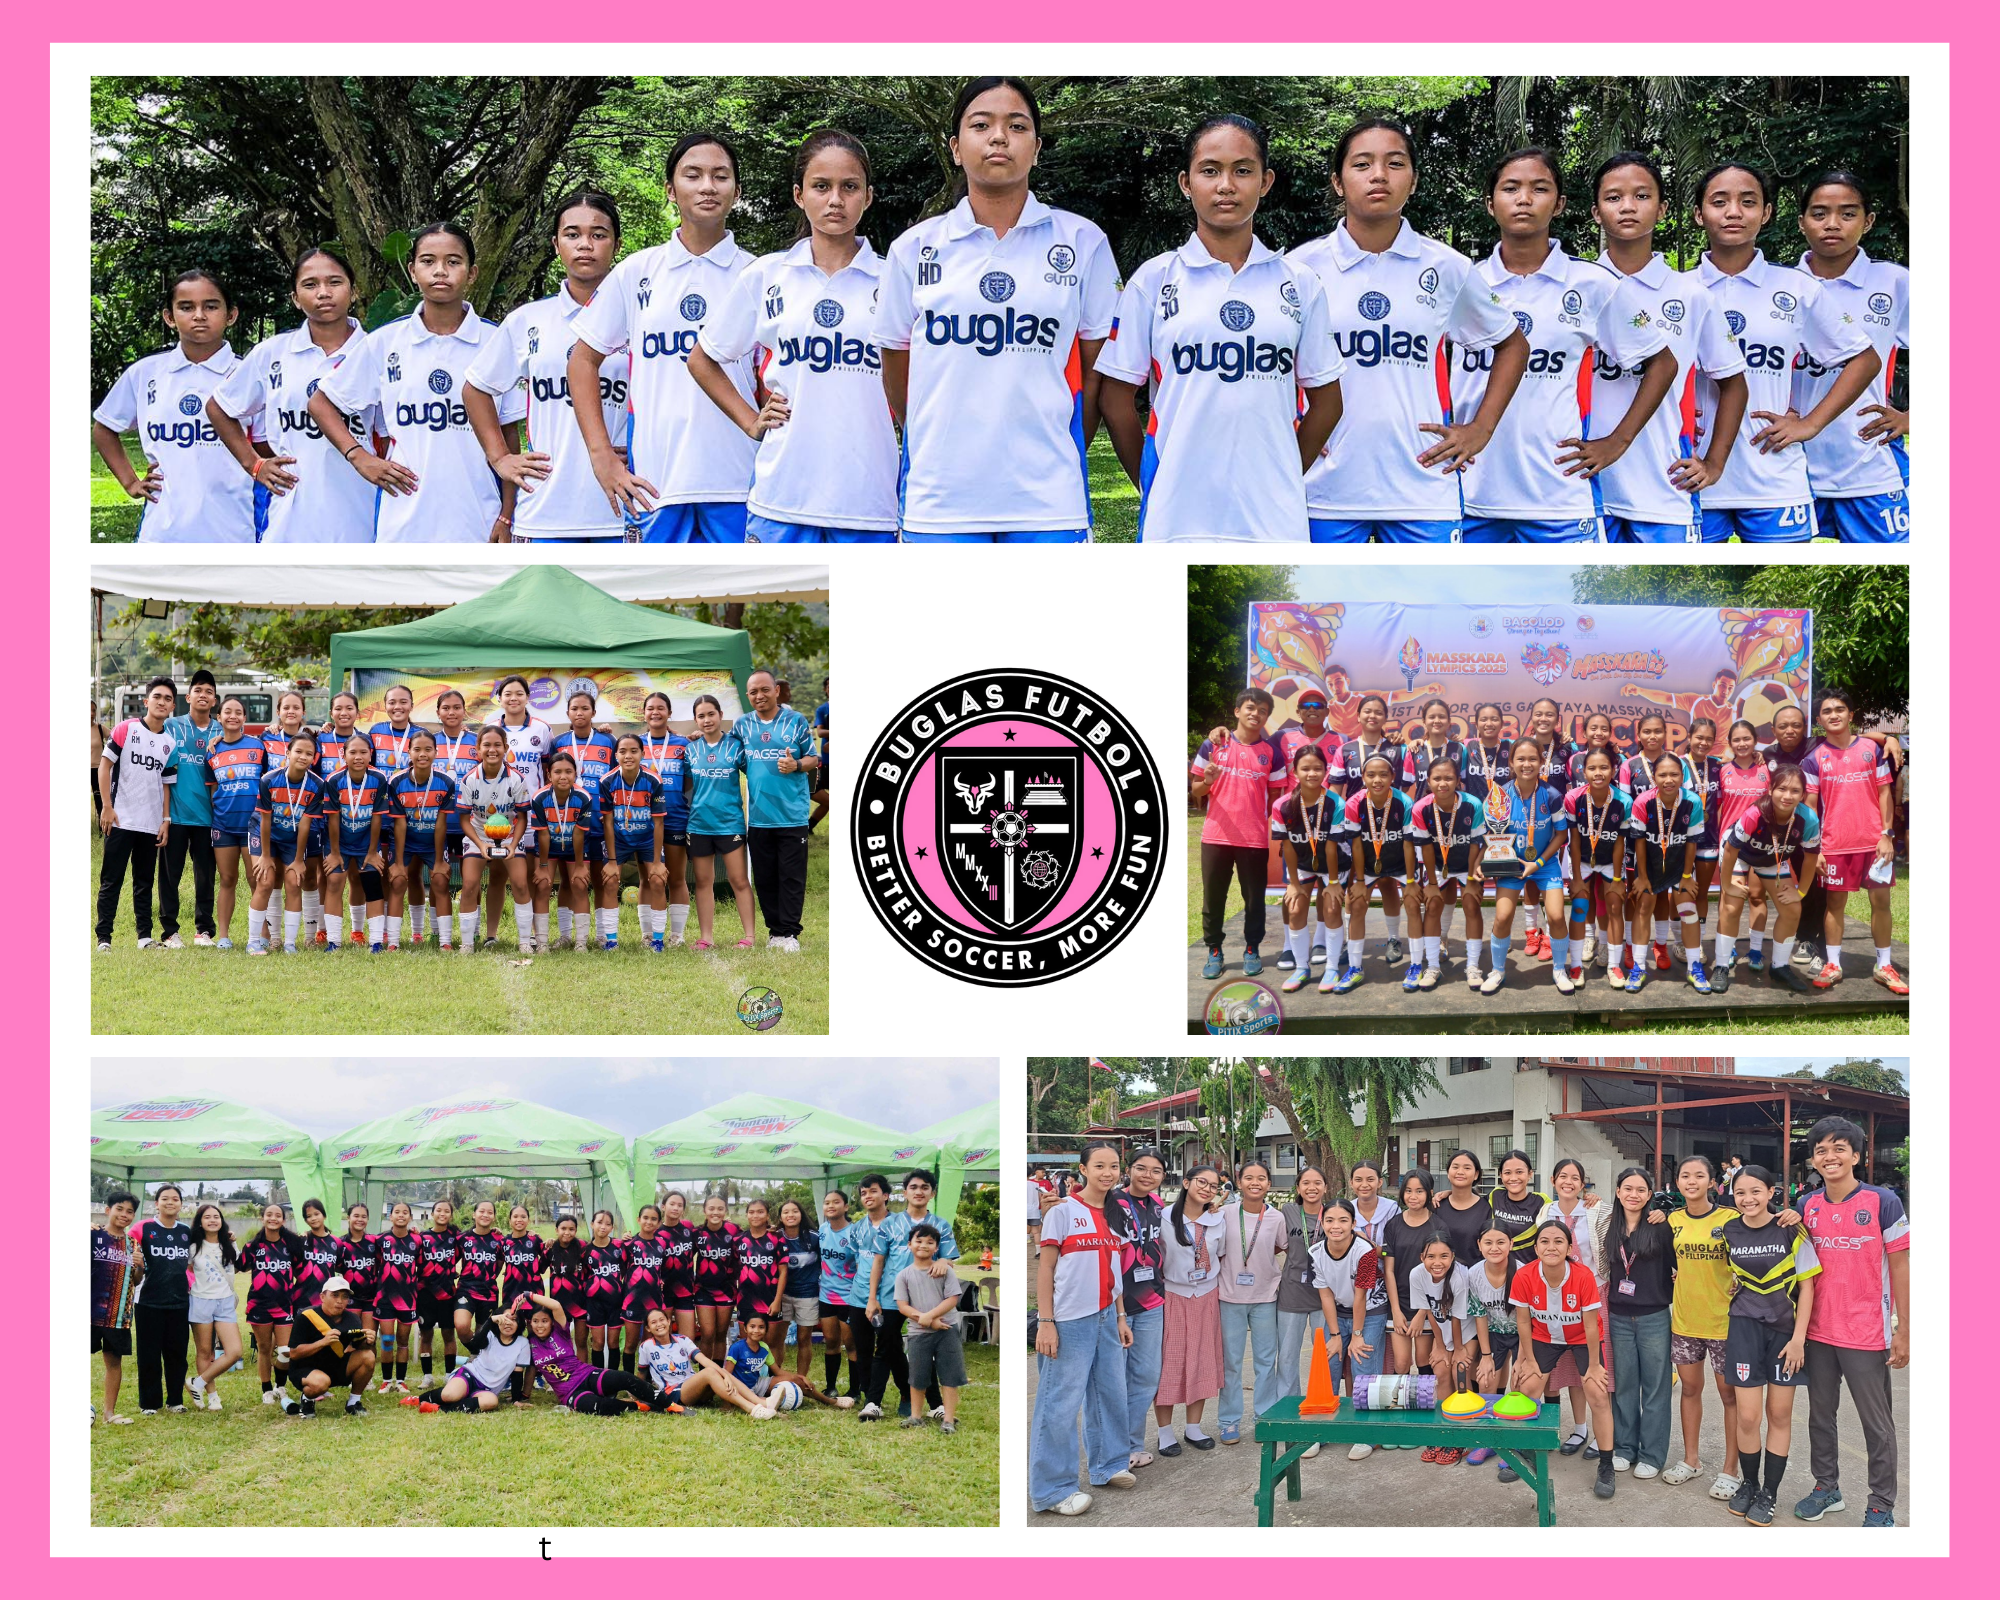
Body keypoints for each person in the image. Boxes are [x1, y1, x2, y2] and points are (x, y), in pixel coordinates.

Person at [877, 77, 1117, 542]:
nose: (999, 137)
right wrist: (929, 435)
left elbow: (1096, 369)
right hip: (940, 503)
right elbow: (896, 364)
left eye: (1017, 125)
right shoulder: (914, 248)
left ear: (1037, 146)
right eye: (981, 124)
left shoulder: (1082, 241)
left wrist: (1060, 447)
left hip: (1049, 504)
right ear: (955, 147)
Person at [1097, 113, 1344, 542]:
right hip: (1174, 521)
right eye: (1209, 171)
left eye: (1242, 171)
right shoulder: (1153, 280)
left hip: (1275, 520)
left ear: (1265, 182)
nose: (1226, 185)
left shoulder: (1300, 283)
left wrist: (1285, 472)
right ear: (1186, 183)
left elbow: (1327, 402)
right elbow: (1116, 398)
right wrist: (1154, 483)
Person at [1285, 118, 1526, 541]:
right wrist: (1288, 423)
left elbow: (1512, 345)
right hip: (1323, 488)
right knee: (1328, 607)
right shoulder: (1300, 268)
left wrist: (1480, 429)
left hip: (1423, 486)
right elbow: (1275, 358)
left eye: (1395, 163)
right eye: (1362, 164)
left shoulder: (1447, 267)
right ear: (1338, 183)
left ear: (1412, 181)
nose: (1379, 175)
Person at [1457, 147, 1675, 543]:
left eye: (1539, 189)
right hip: (1468, 491)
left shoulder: (1593, 284)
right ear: (1491, 204)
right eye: (1511, 189)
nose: (1524, 199)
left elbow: (1662, 363)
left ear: (1558, 205)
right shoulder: (1460, 282)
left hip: (1558, 492)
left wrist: (1617, 442)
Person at [689, 131, 898, 541]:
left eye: (849, 187)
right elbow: (703, 359)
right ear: (800, 195)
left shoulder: (894, 279)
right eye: (821, 186)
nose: (835, 199)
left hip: (869, 502)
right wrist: (751, 421)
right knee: (769, 603)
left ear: (868, 197)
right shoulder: (767, 275)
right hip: (781, 496)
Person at [569, 134, 753, 542]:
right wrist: (603, 456)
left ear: (736, 191)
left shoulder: (759, 275)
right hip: (654, 483)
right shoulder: (637, 271)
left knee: (740, 598)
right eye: (693, 175)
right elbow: (582, 361)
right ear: (671, 190)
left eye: (720, 176)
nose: (707, 186)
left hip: (741, 481)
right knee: (653, 597)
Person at [1690, 163, 1879, 543]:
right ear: (1699, 214)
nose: (1733, 212)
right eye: (1719, 201)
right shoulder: (1675, 290)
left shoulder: (1797, 287)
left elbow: (1865, 358)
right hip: (1691, 475)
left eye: (1748, 202)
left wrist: (1810, 424)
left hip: (1774, 476)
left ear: (1767, 213)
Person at [311, 221, 524, 543]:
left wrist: (507, 514)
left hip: (479, 518)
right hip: (403, 521)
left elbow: (509, 437)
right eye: (428, 261)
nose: (440, 271)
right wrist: (359, 456)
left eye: (453, 262)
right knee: (402, 596)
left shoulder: (496, 341)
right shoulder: (385, 342)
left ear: (473, 272)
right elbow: (321, 402)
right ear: (412, 270)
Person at [1584, 151, 1749, 542]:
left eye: (1642, 196)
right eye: (1613, 197)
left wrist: (1714, 463)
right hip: (1580, 487)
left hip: (1663, 486)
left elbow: (1733, 382)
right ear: (1595, 212)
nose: (1627, 207)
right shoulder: (1576, 287)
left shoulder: (1692, 295)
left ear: (1662, 211)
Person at [465, 189, 630, 542]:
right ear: (556, 245)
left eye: (598, 235)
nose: (585, 244)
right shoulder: (527, 320)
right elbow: (476, 388)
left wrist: (643, 445)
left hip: (625, 508)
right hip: (546, 511)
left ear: (616, 245)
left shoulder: (640, 317)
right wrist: (500, 459)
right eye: (572, 234)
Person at [206, 245, 379, 542]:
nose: (323, 292)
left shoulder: (379, 351)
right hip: (290, 514)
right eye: (310, 285)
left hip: (363, 510)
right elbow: (219, 407)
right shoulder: (273, 354)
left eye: (334, 282)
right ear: (295, 299)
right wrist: (254, 464)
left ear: (354, 291)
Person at [1794, 1116, 1909, 1527]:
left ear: (1857, 1156)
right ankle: (1827, 1488)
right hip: (1819, 1333)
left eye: (1839, 1148)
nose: (1830, 1156)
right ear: (1813, 1159)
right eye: (1822, 1150)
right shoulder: (1805, 1206)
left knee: (1876, 1424)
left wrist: (1904, 1330)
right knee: (1820, 1416)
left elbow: (1900, 1267)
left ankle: (1881, 1504)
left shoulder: (1883, 1201)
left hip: (1866, 1331)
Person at [91, 269, 254, 542]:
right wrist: (130, 482)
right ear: (169, 317)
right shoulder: (146, 373)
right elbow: (104, 428)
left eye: (211, 306)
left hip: (236, 530)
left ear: (231, 315)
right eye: (186, 307)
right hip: (162, 532)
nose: (199, 315)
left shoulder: (248, 374)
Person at [1794, 172, 1910, 543]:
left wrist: (1913, 417)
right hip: (1786, 467)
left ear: (1868, 221)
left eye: (1847, 213)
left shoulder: (1894, 283)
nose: (1832, 224)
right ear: (1801, 222)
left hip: (1868, 463)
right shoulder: (1778, 287)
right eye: (1819, 213)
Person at [1031, 1142, 1132, 1516]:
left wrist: (1120, 1316)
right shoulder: (1062, 1211)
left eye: (1114, 1166)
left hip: (1106, 1314)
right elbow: (1046, 1268)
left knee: (1110, 1394)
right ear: (1083, 1169)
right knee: (1059, 1403)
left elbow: (1115, 1270)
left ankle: (1108, 1466)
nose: (1108, 1173)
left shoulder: (1115, 1213)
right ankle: (1053, 1489)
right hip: (1070, 1319)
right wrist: (1046, 1322)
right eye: (1100, 1166)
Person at [1720, 1165, 1822, 1525]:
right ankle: (1749, 1484)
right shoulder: (1729, 1231)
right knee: (1748, 1416)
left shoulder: (1791, 1228)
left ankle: (1770, 1493)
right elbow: (1739, 1274)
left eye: (1755, 1191)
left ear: (1770, 1192)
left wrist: (1799, 1339)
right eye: (1740, 1193)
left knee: (1778, 1415)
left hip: (1784, 1334)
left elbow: (1808, 1287)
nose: (1748, 1199)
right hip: (1745, 1329)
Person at [1801, 689, 1904, 993]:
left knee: (1881, 902)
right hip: (1833, 846)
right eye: (1827, 711)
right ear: (1819, 719)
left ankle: (1884, 965)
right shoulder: (1814, 759)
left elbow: (1886, 794)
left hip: (1875, 845)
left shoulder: (1872, 749)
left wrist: (1887, 835)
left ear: (1850, 714)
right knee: (1834, 905)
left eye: (1840, 709)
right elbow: (1808, 807)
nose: (1834, 715)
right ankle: (1833, 963)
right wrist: (1814, 847)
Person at [1511, 1218, 1617, 1498]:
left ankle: (1606, 1465)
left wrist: (1594, 1365)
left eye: (1559, 1241)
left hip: (1583, 1338)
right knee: (1528, 1388)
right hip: (1545, 1338)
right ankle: (1527, 1451)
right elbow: (1523, 1322)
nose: (1551, 1246)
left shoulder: (1582, 1276)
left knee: (1597, 1393)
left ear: (1569, 1247)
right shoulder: (1524, 1276)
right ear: (1535, 1248)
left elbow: (1592, 1325)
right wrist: (1529, 1360)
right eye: (1544, 1241)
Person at [1660, 1156, 1746, 1498]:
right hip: (1685, 1321)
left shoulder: (1730, 1218)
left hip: (1724, 1322)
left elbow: (1753, 1253)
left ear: (1713, 1182)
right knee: (1690, 1390)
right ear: (1677, 1182)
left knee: (1729, 1396)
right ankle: (1691, 1460)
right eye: (1684, 1176)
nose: (1691, 1181)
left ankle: (1730, 1469)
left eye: (1699, 1176)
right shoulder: (1671, 1220)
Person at [1193, 686, 1287, 979]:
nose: (1255, 714)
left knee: (1254, 899)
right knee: (1213, 899)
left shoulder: (1271, 752)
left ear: (1267, 716)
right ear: (1237, 711)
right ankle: (1214, 951)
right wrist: (1207, 781)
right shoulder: (1214, 745)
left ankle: (1251, 949)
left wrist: (1256, 820)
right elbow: (1196, 791)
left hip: (1253, 839)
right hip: (1215, 837)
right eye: (1250, 708)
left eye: (1262, 711)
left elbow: (1275, 798)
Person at [1589, 1165, 1677, 1479]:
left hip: (1654, 1316)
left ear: (1650, 1195)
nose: (1634, 1195)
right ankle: (1625, 1448)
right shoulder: (1609, 1226)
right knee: (1624, 1385)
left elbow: (1676, 1263)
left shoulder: (1660, 1226)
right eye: (1628, 1188)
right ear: (1618, 1192)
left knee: (1655, 1388)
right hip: (1619, 1316)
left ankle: (1652, 1454)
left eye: (1641, 1190)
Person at [1716, 763, 1822, 993]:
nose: (1787, 796)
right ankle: (1722, 966)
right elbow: (1732, 850)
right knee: (1732, 907)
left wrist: (1801, 892)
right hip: (1739, 854)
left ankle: (1780, 967)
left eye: (1795, 791)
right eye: (1782, 789)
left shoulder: (1808, 818)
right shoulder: (1756, 812)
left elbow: (1811, 858)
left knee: (1792, 908)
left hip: (1772, 857)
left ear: (1803, 794)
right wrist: (1726, 886)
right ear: (1770, 789)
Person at [734, 670, 818, 951]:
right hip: (759, 817)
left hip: (792, 815)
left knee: (792, 876)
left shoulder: (795, 721)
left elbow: (813, 757)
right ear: (748, 696)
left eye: (765, 690)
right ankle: (775, 933)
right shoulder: (742, 725)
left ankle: (790, 934)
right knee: (766, 877)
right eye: (754, 692)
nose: (760, 696)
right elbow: (723, 748)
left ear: (776, 691)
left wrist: (796, 765)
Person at [1481, 736, 1573, 994]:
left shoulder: (1552, 795)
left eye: (1533, 758)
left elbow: (1561, 835)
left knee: (1556, 916)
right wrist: (1497, 860)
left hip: (1544, 865)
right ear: (1511, 762)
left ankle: (1558, 969)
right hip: (1512, 865)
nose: (1527, 764)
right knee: (1502, 916)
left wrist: (1539, 863)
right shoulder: (1499, 795)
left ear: (1542, 762)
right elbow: (1492, 834)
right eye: (1520, 759)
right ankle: (1497, 971)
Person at [865, 1169, 958, 1420]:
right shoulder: (889, 1224)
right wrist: (872, 1298)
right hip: (891, 1298)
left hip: (928, 1301)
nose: (919, 1191)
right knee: (885, 1348)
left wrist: (946, 1261)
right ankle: (873, 1402)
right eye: (914, 1187)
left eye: (925, 1187)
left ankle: (936, 1406)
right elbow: (878, 1261)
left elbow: (948, 1257)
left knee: (926, 1351)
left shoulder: (941, 1225)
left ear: (932, 1193)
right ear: (904, 1192)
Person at [95, 678, 178, 951]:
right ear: (146, 701)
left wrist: (165, 820)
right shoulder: (125, 729)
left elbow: (166, 786)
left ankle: (144, 937)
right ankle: (104, 938)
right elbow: (104, 767)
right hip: (121, 820)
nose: (162, 701)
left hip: (150, 824)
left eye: (167, 698)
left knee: (144, 883)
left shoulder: (170, 742)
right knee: (111, 881)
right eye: (157, 696)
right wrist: (107, 806)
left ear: (172, 705)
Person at [1153, 1163, 1225, 1457]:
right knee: (1169, 1362)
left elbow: (1220, 1254)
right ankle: (1164, 1432)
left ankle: (1193, 1427)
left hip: (1207, 1295)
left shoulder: (1217, 1220)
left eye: (1213, 1186)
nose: (1207, 1189)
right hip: (1174, 1295)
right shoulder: (1164, 1218)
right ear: (1185, 1183)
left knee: (1202, 1360)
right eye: (1201, 1182)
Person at [1213, 1158, 1287, 1446]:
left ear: (1269, 1183)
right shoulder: (1224, 1213)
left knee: (1266, 1361)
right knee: (1231, 1362)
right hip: (1229, 1296)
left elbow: (1281, 1247)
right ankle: (1228, 1421)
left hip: (1266, 1297)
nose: (1255, 1183)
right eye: (1249, 1178)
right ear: (1239, 1181)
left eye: (1261, 1178)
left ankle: (1264, 1416)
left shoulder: (1276, 1217)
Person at [1626, 750, 1712, 994]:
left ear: (1682, 776)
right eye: (1662, 774)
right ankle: (1639, 967)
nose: (1668, 780)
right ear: (1654, 777)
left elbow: (1691, 842)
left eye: (1674, 774)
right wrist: (1642, 877)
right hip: (1650, 867)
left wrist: (1686, 876)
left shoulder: (1692, 801)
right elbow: (1639, 842)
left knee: (1688, 909)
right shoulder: (1642, 802)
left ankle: (1694, 966)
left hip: (1677, 866)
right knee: (1643, 908)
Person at [1311, 1197, 1389, 1460]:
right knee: (1329, 1362)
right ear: (1322, 1223)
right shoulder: (1316, 1252)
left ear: (1353, 1223)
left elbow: (1360, 1297)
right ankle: (1322, 1430)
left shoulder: (1364, 1251)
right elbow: (1324, 1295)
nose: (1336, 1226)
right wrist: (1335, 1335)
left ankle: (1366, 1433)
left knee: (1362, 1364)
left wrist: (1356, 1336)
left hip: (1370, 1311)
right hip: (1338, 1311)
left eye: (1343, 1220)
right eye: (1330, 1220)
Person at [1108, 1148, 1168, 1468]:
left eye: (1155, 1171)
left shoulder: (1158, 1205)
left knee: (1145, 1377)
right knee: (1114, 1378)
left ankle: (1132, 1445)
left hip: (1151, 1302)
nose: (1148, 1175)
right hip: (1117, 1304)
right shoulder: (1112, 1203)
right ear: (1129, 1170)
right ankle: (1113, 1449)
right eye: (1141, 1168)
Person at [1336, 753, 1415, 993]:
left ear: (1393, 776)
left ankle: (1410, 956)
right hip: (1369, 863)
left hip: (1400, 861)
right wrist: (1360, 880)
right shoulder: (1353, 803)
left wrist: (1410, 881)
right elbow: (1357, 844)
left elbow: (1408, 844)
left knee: (1412, 902)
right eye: (1371, 775)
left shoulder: (1404, 802)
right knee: (1357, 903)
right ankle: (1355, 967)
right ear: (1363, 777)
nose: (1377, 780)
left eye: (1384, 774)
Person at [547, 692, 619, 949]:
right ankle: (566, 935)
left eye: (585, 708)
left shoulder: (608, 740)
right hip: (567, 822)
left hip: (599, 820)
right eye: (575, 708)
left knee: (601, 880)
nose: (580, 713)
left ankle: (603, 935)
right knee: (568, 880)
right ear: (567, 714)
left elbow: (615, 777)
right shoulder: (558, 742)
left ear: (594, 713)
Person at [1275, 747, 1348, 996]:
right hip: (1305, 864)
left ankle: (1331, 967)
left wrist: (1335, 882)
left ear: (1326, 771)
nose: (1312, 773)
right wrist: (1293, 883)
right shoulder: (1282, 805)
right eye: (1305, 768)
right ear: (1294, 772)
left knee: (1331, 907)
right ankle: (1301, 968)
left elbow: (1331, 847)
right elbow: (1288, 847)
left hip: (1335, 865)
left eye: (1317, 768)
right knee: (1295, 908)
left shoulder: (1336, 803)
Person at [518, 1293, 667, 1415]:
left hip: (586, 1375)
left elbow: (556, 1305)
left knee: (625, 1378)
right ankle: (641, 1406)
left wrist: (528, 1295)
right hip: (569, 1393)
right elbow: (531, 1370)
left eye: (544, 1321)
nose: (539, 1325)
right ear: (530, 1323)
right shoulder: (529, 1344)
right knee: (600, 1407)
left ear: (552, 1322)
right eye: (535, 1321)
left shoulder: (560, 1331)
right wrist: (523, 1396)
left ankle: (669, 1404)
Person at [248, 731, 328, 955]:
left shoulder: (317, 785)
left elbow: (304, 824)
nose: (303, 757)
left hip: (293, 838)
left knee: (294, 882)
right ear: (288, 753)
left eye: (309, 754)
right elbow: (264, 819)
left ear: (314, 758)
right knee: (265, 881)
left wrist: (298, 859)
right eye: (298, 752)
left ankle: (290, 944)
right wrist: (265, 855)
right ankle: (254, 941)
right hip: (266, 835)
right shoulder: (269, 779)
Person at [456, 725, 535, 954]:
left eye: (497, 745)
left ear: (506, 748)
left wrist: (512, 844)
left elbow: (522, 817)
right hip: (478, 834)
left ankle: (524, 941)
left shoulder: (516, 779)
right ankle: (467, 944)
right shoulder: (470, 779)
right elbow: (463, 819)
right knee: (469, 885)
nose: (492, 750)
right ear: (478, 749)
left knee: (520, 883)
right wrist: (480, 844)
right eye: (486, 745)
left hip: (510, 835)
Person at [685, 695, 755, 950]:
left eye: (710, 714)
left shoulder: (736, 746)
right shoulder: (691, 749)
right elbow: (686, 785)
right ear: (695, 720)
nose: (706, 720)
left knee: (739, 880)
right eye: (701, 716)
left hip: (730, 823)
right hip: (699, 824)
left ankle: (749, 936)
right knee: (703, 883)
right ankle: (706, 938)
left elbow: (756, 775)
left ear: (720, 714)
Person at [1412, 753, 1487, 990]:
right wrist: (1432, 884)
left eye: (1449, 778)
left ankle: (1473, 965)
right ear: (1428, 781)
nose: (1442, 783)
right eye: (1437, 778)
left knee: (1471, 904)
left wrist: (1473, 878)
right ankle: (1433, 966)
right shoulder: (1421, 808)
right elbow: (1424, 847)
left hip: (1467, 864)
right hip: (1436, 865)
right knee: (1433, 905)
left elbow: (1477, 843)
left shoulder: (1472, 804)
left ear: (1458, 781)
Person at [158, 670, 220, 948]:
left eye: (208, 691)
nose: (203, 695)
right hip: (177, 817)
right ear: (188, 697)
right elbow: (163, 774)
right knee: (169, 876)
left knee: (206, 876)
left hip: (210, 818)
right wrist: (165, 816)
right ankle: (170, 932)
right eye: (198, 690)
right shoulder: (171, 727)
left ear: (214, 700)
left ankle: (203, 930)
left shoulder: (222, 731)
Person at [1404, 1233, 1477, 1463]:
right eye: (1431, 1256)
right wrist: (1440, 1345)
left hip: (1466, 1333)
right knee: (1441, 1373)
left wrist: (1456, 1349)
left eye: (1444, 1256)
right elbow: (1428, 1312)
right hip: (1444, 1335)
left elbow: (1457, 1317)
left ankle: (1464, 1435)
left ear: (1453, 1256)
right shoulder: (1416, 1274)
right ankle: (1445, 1432)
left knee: (1460, 1372)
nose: (1438, 1262)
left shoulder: (1459, 1276)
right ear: (1422, 1257)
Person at [200, 696, 264, 949]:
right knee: (227, 880)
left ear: (245, 718)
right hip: (224, 826)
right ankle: (224, 937)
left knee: (255, 880)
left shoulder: (258, 747)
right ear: (219, 717)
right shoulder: (212, 752)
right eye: (227, 712)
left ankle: (261, 936)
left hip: (253, 826)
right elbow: (212, 790)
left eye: (238, 712)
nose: (233, 716)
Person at [596, 734, 668, 953]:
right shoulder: (607, 781)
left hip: (647, 837)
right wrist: (611, 859)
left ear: (642, 754)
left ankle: (656, 939)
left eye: (634, 751)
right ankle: (611, 941)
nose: (628, 756)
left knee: (656, 880)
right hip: (619, 838)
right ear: (615, 755)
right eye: (623, 751)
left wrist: (656, 861)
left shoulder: (653, 780)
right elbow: (607, 822)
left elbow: (658, 823)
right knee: (610, 881)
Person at [1566, 747, 1630, 987]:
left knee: (1614, 907)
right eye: (1592, 768)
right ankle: (1575, 967)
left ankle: (1614, 965)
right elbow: (1574, 840)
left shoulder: (1624, 801)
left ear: (1613, 770)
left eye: (1604, 767)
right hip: (1581, 860)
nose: (1598, 773)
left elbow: (1619, 844)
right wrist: (1576, 879)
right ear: (1583, 771)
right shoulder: (1573, 797)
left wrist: (1616, 879)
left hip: (1609, 862)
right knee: (1580, 908)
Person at [386, 729, 455, 951]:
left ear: (436, 752)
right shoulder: (396, 782)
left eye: (428, 749)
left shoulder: (446, 782)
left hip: (431, 842)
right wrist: (397, 862)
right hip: (404, 842)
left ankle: (444, 940)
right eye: (417, 749)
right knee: (397, 881)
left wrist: (439, 861)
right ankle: (394, 942)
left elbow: (441, 824)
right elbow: (400, 824)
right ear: (409, 753)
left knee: (441, 881)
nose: (422, 754)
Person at [126, 1184, 192, 1416]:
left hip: (180, 1303)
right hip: (148, 1303)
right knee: (149, 1355)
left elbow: (198, 1256)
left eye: (175, 1199)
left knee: (177, 1355)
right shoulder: (143, 1228)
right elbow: (121, 1242)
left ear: (181, 1204)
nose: (170, 1202)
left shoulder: (186, 1231)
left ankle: (175, 1400)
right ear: (157, 1203)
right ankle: (149, 1403)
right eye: (165, 1199)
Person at [895, 1223, 967, 1433]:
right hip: (918, 1333)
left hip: (947, 1330)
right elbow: (902, 1306)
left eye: (930, 1242)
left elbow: (952, 1299)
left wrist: (931, 1317)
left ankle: (948, 1419)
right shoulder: (904, 1275)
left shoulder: (945, 1272)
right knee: (917, 1377)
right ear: (909, 1245)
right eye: (919, 1241)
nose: (923, 1245)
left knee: (950, 1376)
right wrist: (924, 1319)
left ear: (936, 1248)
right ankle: (916, 1416)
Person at [324, 731, 392, 953]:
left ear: (371, 755)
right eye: (352, 752)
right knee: (335, 881)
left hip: (366, 842)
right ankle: (333, 941)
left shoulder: (379, 779)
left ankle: (375, 942)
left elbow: (377, 817)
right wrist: (335, 852)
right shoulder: (333, 780)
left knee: (372, 882)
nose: (358, 756)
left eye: (363, 752)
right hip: (339, 841)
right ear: (344, 755)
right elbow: (333, 819)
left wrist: (372, 852)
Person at [529, 750, 600, 956]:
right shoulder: (540, 797)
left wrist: (579, 865)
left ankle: (581, 942)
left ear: (576, 774)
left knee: (579, 884)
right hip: (548, 848)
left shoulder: (583, 796)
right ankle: (542, 943)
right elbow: (542, 835)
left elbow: (578, 834)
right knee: (542, 886)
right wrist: (542, 867)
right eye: (557, 772)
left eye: (568, 771)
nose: (563, 776)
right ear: (549, 775)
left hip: (575, 847)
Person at [1273, 1165, 1330, 1421]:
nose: (1311, 1188)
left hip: (1324, 1294)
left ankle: (1323, 1404)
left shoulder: (1332, 1213)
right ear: (1298, 1188)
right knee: (1287, 1355)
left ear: (1325, 1187)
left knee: (1325, 1355)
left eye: (1317, 1183)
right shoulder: (1287, 1211)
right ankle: (1288, 1407)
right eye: (1306, 1183)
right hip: (1292, 1291)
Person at [636, 693, 693, 947]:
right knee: (647, 878)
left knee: (677, 878)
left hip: (675, 817)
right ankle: (648, 934)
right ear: (644, 713)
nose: (655, 712)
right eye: (650, 708)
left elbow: (688, 780)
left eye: (661, 708)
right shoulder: (635, 743)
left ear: (669, 713)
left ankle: (677, 936)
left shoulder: (683, 744)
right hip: (643, 822)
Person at [235, 1202, 301, 1411]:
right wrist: (228, 1243)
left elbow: (301, 1271)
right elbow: (238, 1267)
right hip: (259, 1306)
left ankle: (280, 1385)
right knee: (265, 1349)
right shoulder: (253, 1247)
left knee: (285, 1351)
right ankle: (266, 1390)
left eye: (278, 1215)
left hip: (283, 1306)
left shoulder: (291, 1245)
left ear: (284, 1220)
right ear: (262, 1218)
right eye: (269, 1215)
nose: (273, 1218)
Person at [282, 1276, 373, 1417]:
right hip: (305, 1368)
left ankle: (353, 1402)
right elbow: (294, 1353)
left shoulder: (353, 1318)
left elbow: (356, 1347)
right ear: (322, 1297)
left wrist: (367, 1341)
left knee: (368, 1356)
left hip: (335, 1365)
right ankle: (307, 1400)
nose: (339, 1301)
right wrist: (322, 1342)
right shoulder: (306, 1316)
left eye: (344, 1297)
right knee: (320, 1382)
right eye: (335, 1295)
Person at [421, 1299, 531, 1413]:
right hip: (470, 1375)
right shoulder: (490, 1335)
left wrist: (516, 1400)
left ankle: (440, 1409)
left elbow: (518, 1374)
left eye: (514, 1320)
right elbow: (475, 1344)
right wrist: (490, 1320)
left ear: (519, 1323)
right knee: (449, 1395)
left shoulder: (522, 1343)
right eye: (505, 1318)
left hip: (488, 1390)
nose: (508, 1323)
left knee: (491, 1402)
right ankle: (419, 1399)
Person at [92, 1191, 143, 1423]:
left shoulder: (133, 1243)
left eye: (129, 1211)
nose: (124, 1215)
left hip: (118, 1314)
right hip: (88, 1312)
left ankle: (109, 1413)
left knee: (114, 1363)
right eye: (119, 1209)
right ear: (108, 1210)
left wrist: (140, 1267)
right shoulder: (92, 1235)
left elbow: (136, 1280)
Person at [182, 1203, 239, 1413]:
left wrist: (232, 1240)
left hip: (225, 1302)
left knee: (233, 1352)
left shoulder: (230, 1245)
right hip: (200, 1301)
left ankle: (196, 1383)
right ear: (200, 1222)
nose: (213, 1220)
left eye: (216, 1216)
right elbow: (188, 1271)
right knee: (205, 1352)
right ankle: (212, 1396)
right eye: (207, 1217)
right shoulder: (193, 1247)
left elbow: (238, 1266)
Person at [817, 1188, 871, 1400]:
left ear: (846, 1206)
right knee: (831, 1342)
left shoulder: (855, 1232)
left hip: (851, 1297)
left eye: (836, 1202)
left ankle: (855, 1391)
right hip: (827, 1296)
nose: (831, 1206)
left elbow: (864, 1264)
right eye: (827, 1202)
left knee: (851, 1344)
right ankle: (831, 1388)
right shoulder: (822, 1230)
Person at [612, 1204, 668, 1376]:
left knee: (650, 1344)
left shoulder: (661, 1243)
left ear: (659, 1223)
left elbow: (662, 1270)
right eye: (645, 1218)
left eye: (653, 1219)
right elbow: (620, 1270)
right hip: (632, 1301)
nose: (649, 1222)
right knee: (631, 1344)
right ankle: (630, 1382)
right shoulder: (628, 1244)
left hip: (654, 1302)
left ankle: (648, 1380)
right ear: (638, 1220)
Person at [372, 1201, 420, 1392]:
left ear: (410, 1217)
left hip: (407, 1299)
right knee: (386, 1340)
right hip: (385, 1298)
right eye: (397, 1212)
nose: (401, 1215)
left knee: (403, 1341)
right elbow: (375, 1264)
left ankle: (400, 1381)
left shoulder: (417, 1241)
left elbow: (422, 1265)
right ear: (390, 1217)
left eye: (405, 1212)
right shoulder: (380, 1240)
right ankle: (386, 1380)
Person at [413, 1198, 461, 1382]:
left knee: (449, 1333)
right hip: (425, 1293)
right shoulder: (421, 1238)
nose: (442, 1214)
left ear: (450, 1215)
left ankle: (449, 1374)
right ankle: (427, 1376)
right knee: (426, 1334)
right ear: (431, 1213)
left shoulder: (456, 1237)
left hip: (448, 1293)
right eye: (438, 1210)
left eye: (446, 1211)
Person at [774, 1199, 821, 1377]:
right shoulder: (775, 1236)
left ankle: (801, 1380)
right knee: (778, 1338)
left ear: (801, 1214)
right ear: (780, 1217)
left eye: (795, 1211)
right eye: (786, 1212)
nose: (790, 1215)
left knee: (803, 1338)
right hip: (782, 1294)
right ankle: (777, 1377)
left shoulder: (814, 1238)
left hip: (808, 1295)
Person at [691, 1196, 740, 1363]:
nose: (715, 1212)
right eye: (711, 1208)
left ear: (725, 1211)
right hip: (703, 1289)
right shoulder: (697, 1233)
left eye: (720, 1208)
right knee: (708, 1333)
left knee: (720, 1334)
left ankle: (718, 1372)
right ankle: (704, 1374)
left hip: (727, 1289)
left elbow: (752, 1239)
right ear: (704, 1211)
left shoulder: (734, 1230)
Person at [579, 1209, 629, 1368]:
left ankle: (612, 1381)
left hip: (615, 1303)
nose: (603, 1227)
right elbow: (583, 1275)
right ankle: (599, 1379)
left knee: (613, 1342)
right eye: (599, 1222)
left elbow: (626, 1268)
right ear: (592, 1224)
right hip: (594, 1304)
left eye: (608, 1224)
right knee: (598, 1342)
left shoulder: (619, 1246)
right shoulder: (585, 1251)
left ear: (612, 1228)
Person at [452, 1200, 505, 1346]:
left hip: (489, 1292)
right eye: (481, 1211)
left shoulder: (500, 1240)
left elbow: (499, 1264)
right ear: (474, 1214)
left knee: (484, 1333)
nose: (485, 1215)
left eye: (490, 1212)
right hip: (466, 1290)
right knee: (462, 1326)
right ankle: (475, 1352)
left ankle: (479, 1360)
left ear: (494, 1217)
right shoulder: (462, 1239)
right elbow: (450, 1260)